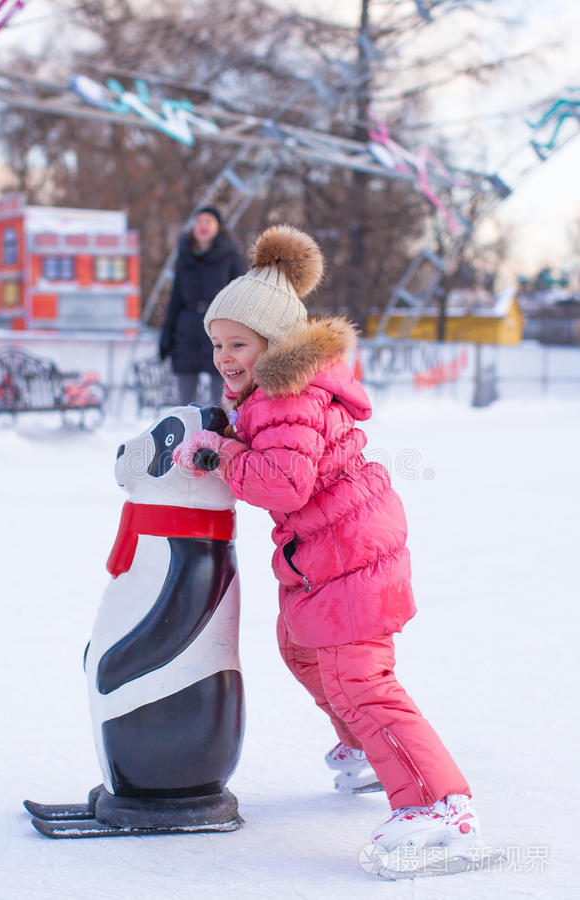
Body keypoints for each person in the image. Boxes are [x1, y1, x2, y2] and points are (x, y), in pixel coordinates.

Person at [175, 225, 483, 864]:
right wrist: (234, 440)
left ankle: (436, 804)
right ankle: (373, 751)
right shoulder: (272, 397)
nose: (224, 357)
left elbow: (285, 483)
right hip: (333, 557)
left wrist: (223, 451)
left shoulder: (287, 396)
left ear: (275, 344)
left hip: (350, 559)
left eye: (238, 344)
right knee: (302, 651)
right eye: (217, 344)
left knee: (361, 679)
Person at [159, 206, 246, 405]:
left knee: (222, 399)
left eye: (208, 221)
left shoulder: (231, 255)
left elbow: (240, 294)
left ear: (218, 227)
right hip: (187, 334)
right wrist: (166, 337)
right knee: (186, 403)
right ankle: (190, 436)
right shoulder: (184, 256)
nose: (203, 226)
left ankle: (221, 435)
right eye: (199, 222)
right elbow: (175, 300)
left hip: (219, 331)